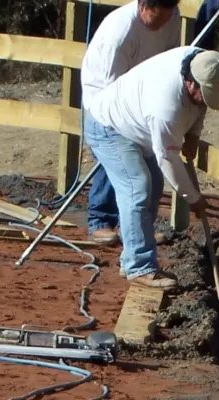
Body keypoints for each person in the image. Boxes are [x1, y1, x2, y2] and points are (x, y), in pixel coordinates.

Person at [83, 47, 219, 289]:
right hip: (110, 127)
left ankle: (132, 255)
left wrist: (193, 133)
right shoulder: (167, 106)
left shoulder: (205, 62)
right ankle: (139, 266)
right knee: (137, 187)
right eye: (203, 94)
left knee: (153, 187)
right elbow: (168, 159)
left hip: (138, 125)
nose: (205, 101)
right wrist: (193, 198)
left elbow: (199, 106)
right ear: (190, 83)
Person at [81, 0, 182, 245]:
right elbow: (111, 91)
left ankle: (137, 231)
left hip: (144, 95)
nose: (161, 26)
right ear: (142, 6)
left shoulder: (172, 16)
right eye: (155, 20)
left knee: (148, 174)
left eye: (165, 20)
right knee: (120, 161)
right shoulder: (119, 33)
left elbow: (169, 60)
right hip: (107, 100)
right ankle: (101, 220)